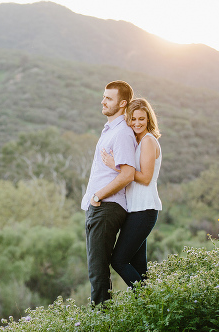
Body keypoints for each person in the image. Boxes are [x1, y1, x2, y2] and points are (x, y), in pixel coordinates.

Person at [81, 80, 138, 306]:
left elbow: (127, 175)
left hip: (106, 206)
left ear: (122, 103)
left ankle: (101, 321)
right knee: (97, 269)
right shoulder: (110, 131)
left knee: (98, 271)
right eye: (103, 97)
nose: (103, 101)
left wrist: (97, 196)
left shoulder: (122, 133)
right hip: (99, 207)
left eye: (109, 98)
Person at [102, 98, 163, 288]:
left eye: (141, 119)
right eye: (133, 119)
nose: (137, 123)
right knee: (139, 266)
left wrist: (117, 165)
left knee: (118, 260)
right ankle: (150, 308)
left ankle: (148, 298)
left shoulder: (148, 141)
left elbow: (145, 178)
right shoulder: (136, 142)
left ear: (148, 120)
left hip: (145, 209)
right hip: (135, 210)